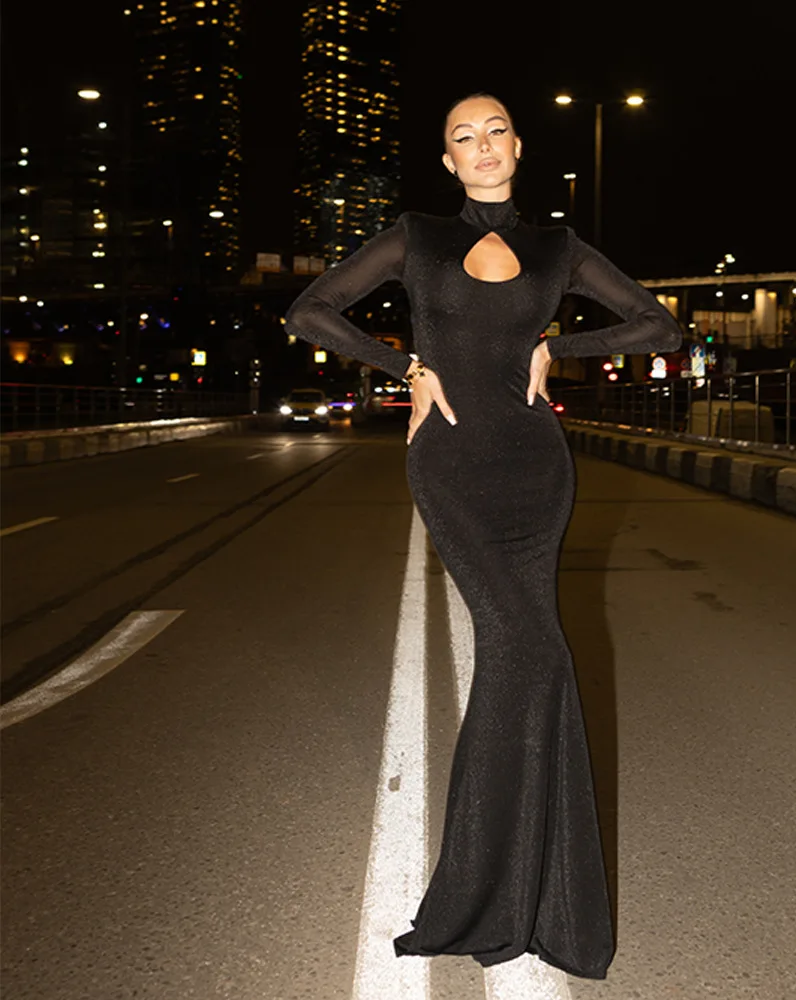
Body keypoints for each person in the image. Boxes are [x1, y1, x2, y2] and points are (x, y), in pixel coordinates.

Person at [284, 93, 683, 980]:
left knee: (525, 658)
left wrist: (557, 351)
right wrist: (406, 367)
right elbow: (311, 311)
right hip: (454, 469)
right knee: (527, 649)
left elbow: (659, 323)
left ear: (517, 145)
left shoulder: (557, 249)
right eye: (463, 136)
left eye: (495, 130)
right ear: (449, 161)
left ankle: (526, 892)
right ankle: (499, 888)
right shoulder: (417, 238)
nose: (483, 145)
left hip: (537, 471)